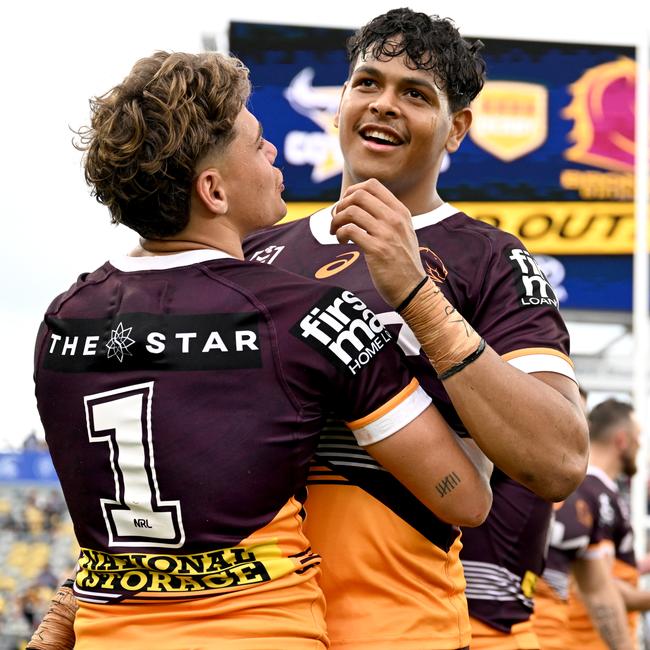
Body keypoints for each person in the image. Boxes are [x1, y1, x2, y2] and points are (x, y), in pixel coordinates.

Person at [29, 50, 493, 650]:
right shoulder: (305, 312)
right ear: (213, 190)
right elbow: (464, 497)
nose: (273, 152)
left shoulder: (63, 318)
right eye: (257, 143)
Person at [243, 8, 588, 649]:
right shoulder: (254, 250)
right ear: (340, 99)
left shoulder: (491, 258)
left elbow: (559, 460)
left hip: (403, 630)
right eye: (367, 83)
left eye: (415, 94)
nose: (383, 105)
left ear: (456, 129)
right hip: (256, 627)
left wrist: (416, 296)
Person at [533, 399, 648, 650]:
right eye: (638, 436)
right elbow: (597, 586)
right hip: (580, 638)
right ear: (622, 440)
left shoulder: (600, 492)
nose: (641, 443)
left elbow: (601, 573)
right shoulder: (589, 493)